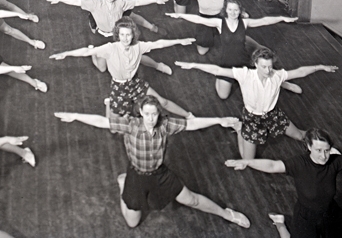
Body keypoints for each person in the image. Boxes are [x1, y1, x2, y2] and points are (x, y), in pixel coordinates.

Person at [54, 95, 250, 230]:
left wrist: (218, 120)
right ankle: (123, 183)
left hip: (160, 174)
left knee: (191, 200)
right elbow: (102, 121)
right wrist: (75, 116)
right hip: (137, 176)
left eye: (154, 114)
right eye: (147, 114)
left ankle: (226, 214)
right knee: (132, 223)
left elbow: (191, 124)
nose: (150, 118)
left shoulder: (165, 124)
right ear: (141, 112)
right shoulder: (130, 124)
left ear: (159, 113)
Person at [225, 128, 342, 238]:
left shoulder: (334, 162)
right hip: (306, 218)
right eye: (319, 150)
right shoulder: (299, 164)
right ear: (309, 147)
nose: (323, 156)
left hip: (330, 213)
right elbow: (272, 165)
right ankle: (281, 224)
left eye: (327, 150)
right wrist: (247, 162)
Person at [175, 48, 338, 159]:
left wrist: (320, 67)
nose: (268, 71)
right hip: (252, 119)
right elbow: (218, 70)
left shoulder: (277, 75)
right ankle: (240, 129)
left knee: (301, 136)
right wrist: (194, 65)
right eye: (264, 67)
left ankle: (326, 148)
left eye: (270, 66)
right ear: (256, 64)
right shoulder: (245, 74)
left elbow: (300, 71)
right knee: (247, 160)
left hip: (273, 115)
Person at [50, 17, 194, 118]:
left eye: (128, 35)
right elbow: (85, 52)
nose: (125, 38)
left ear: (133, 35)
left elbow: (159, 43)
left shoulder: (139, 46)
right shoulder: (110, 48)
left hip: (135, 83)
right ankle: (109, 102)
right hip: (118, 88)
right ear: (117, 35)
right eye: (122, 35)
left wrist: (180, 41)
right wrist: (66, 54)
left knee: (163, 102)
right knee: (113, 128)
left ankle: (189, 116)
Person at [166, 0, 299, 98]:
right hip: (227, 63)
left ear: (240, 11)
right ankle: (225, 77)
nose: (233, 12)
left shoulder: (244, 23)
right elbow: (199, 20)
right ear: (225, 10)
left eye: (236, 10)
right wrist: (180, 15)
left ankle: (282, 82)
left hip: (244, 61)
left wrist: (282, 18)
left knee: (264, 71)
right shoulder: (219, 23)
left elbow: (264, 21)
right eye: (230, 10)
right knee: (223, 96)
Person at [159, 0, 264, 54]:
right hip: (205, 19)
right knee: (202, 52)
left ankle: (257, 45)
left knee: (235, 36)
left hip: (220, 16)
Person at [47, 0, 168, 38]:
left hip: (118, 33)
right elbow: (76, 1)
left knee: (133, 17)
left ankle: (153, 28)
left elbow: (137, 2)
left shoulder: (121, 2)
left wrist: (154, 0)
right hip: (101, 33)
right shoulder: (95, 3)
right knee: (102, 67)